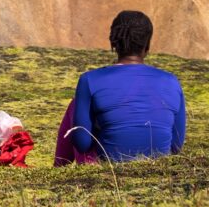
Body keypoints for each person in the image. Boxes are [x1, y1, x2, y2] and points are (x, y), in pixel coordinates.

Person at [54, 11, 185, 165]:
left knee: (76, 105)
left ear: (113, 43)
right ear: (147, 45)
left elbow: (81, 143)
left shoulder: (89, 80)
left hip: (106, 169)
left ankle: (59, 167)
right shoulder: (171, 81)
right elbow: (176, 147)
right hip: (158, 168)